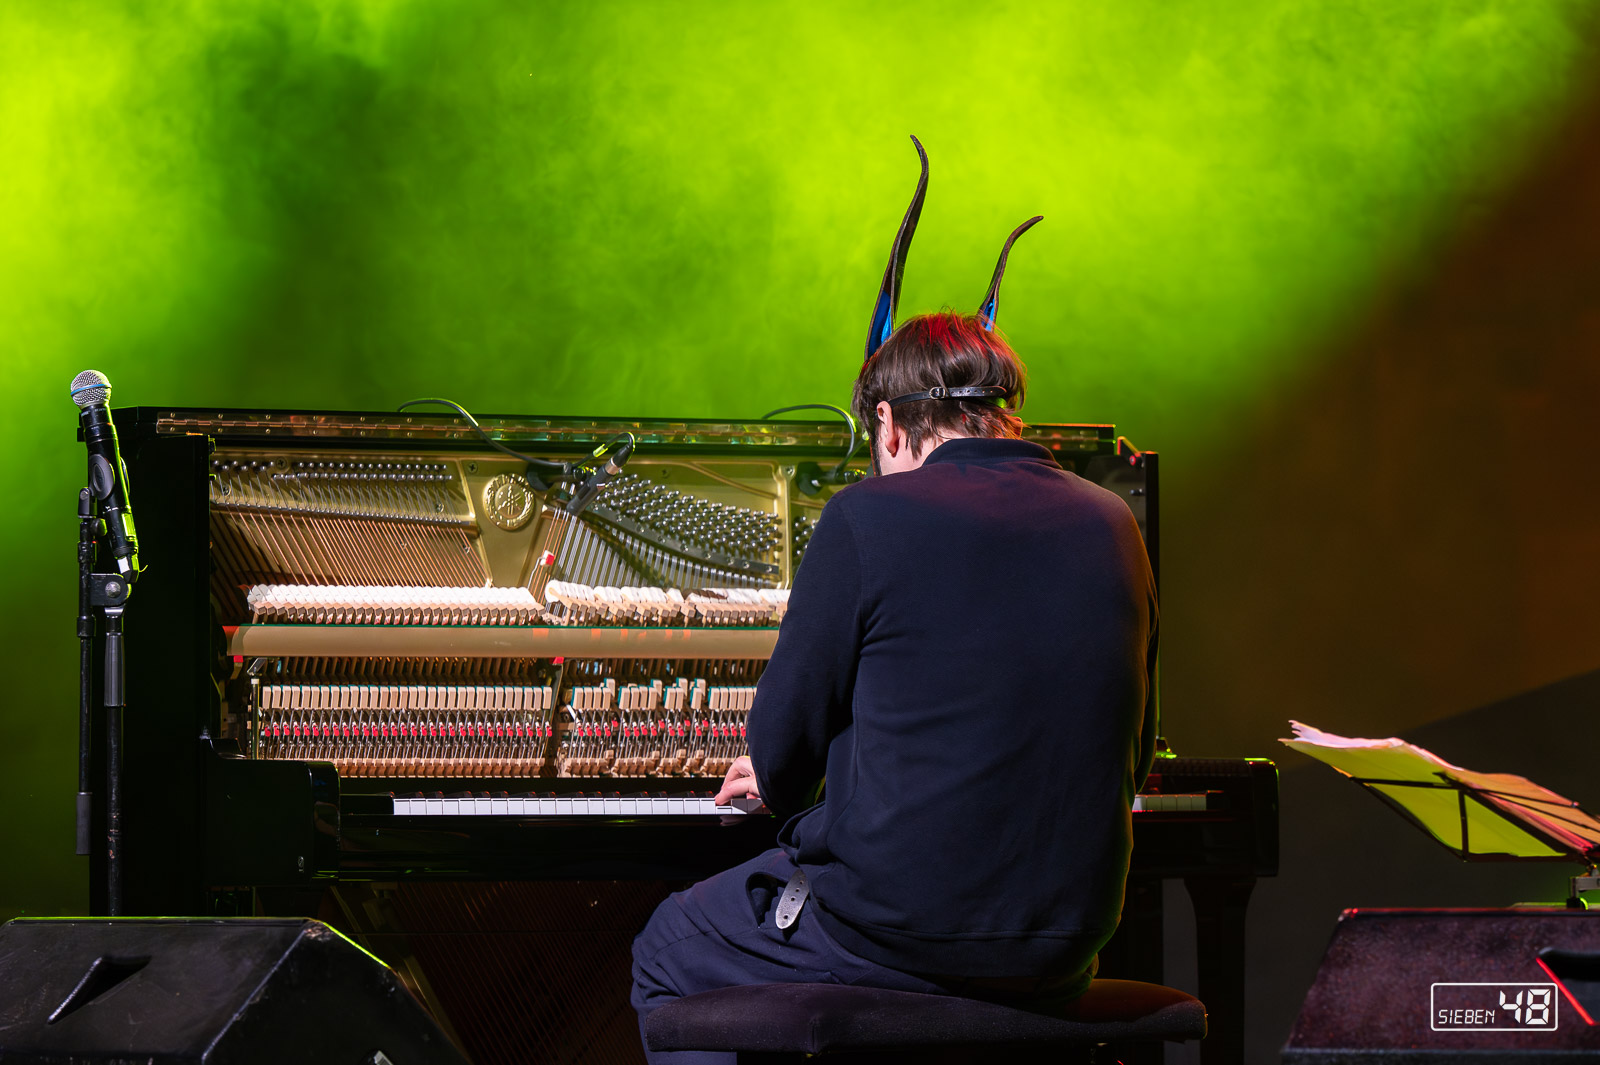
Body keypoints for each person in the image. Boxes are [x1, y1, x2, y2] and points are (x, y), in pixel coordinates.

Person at [630, 141, 1158, 1065]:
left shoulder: (869, 514)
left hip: (905, 935)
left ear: (886, 420)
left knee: (669, 947)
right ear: (1005, 411)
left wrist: (811, 794)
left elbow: (780, 751)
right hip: (1068, 943)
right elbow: (1135, 751)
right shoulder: (1114, 521)